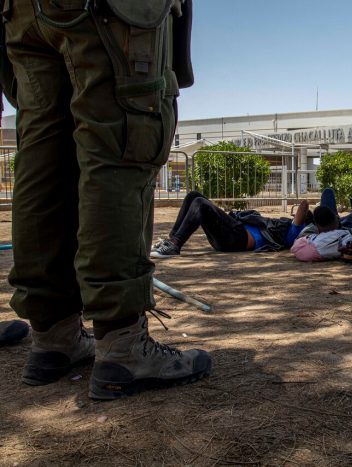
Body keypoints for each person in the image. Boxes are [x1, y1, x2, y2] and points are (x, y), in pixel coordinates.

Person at [3, 1, 211, 399]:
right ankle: (123, 346)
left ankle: (54, 337)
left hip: (21, 12)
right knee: (123, 141)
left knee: (44, 154)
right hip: (106, 11)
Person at [151, 192, 309, 257]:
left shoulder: (293, 234)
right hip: (232, 232)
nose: (293, 216)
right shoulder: (283, 228)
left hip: (237, 238)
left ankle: (175, 244)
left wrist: (308, 212)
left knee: (200, 203)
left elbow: (304, 205)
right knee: (194, 195)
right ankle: (171, 240)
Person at [291, 188, 352, 261]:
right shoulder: (345, 240)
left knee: (327, 191)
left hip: (330, 228)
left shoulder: (310, 244)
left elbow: (296, 246)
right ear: (336, 219)